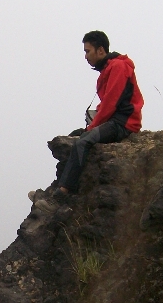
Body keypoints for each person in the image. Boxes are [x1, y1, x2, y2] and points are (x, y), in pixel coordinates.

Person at [56, 31, 144, 195]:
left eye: (87, 51)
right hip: (114, 121)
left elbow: (111, 103)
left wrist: (93, 126)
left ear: (101, 50)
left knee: (82, 142)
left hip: (123, 123)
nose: (86, 56)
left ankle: (64, 191)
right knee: (73, 138)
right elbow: (108, 103)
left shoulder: (118, 67)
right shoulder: (107, 70)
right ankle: (60, 186)